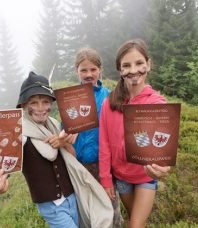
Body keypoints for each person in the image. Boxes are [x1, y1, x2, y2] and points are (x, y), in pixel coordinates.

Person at [0, 71, 79, 228]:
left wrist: (64, 143)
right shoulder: (18, 134)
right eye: (33, 103)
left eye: (46, 102)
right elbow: (3, 169)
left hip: (72, 197)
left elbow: (72, 159)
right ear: (23, 105)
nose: (41, 108)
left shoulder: (55, 124)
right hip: (52, 207)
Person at [99, 39, 171, 228]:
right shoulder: (109, 103)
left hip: (145, 176)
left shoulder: (158, 104)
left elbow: (162, 145)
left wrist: (162, 167)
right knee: (134, 218)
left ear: (148, 64)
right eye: (126, 65)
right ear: (120, 69)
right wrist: (106, 179)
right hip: (121, 176)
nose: (133, 70)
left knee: (135, 225)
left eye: (139, 63)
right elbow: (104, 142)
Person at [73, 47, 123, 227]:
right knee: (85, 214)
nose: (89, 74)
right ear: (76, 71)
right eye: (83, 70)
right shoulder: (69, 99)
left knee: (110, 212)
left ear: (100, 70)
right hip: (78, 167)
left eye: (93, 69)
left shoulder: (109, 98)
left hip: (104, 167)